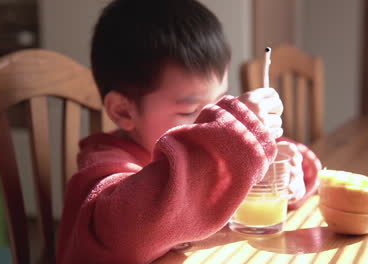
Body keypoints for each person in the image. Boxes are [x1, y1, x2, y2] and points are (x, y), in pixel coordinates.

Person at [57, 0, 322, 263]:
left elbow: (248, 161)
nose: (208, 124)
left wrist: (292, 172)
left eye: (219, 103)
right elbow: (130, 234)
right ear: (123, 111)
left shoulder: (207, 158)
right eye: (189, 111)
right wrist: (230, 139)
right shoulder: (104, 166)